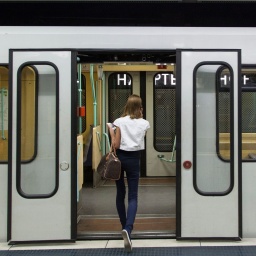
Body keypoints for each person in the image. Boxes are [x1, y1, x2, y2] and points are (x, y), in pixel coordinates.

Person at [107, 94, 150, 252]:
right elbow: (139, 138)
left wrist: (111, 131)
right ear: (140, 108)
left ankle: (124, 226)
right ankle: (128, 229)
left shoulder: (119, 121)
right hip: (134, 160)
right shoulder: (145, 123)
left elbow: (116, 144)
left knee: (120, 193)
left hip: (119, 159)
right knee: (133, 196)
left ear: (127, 106)